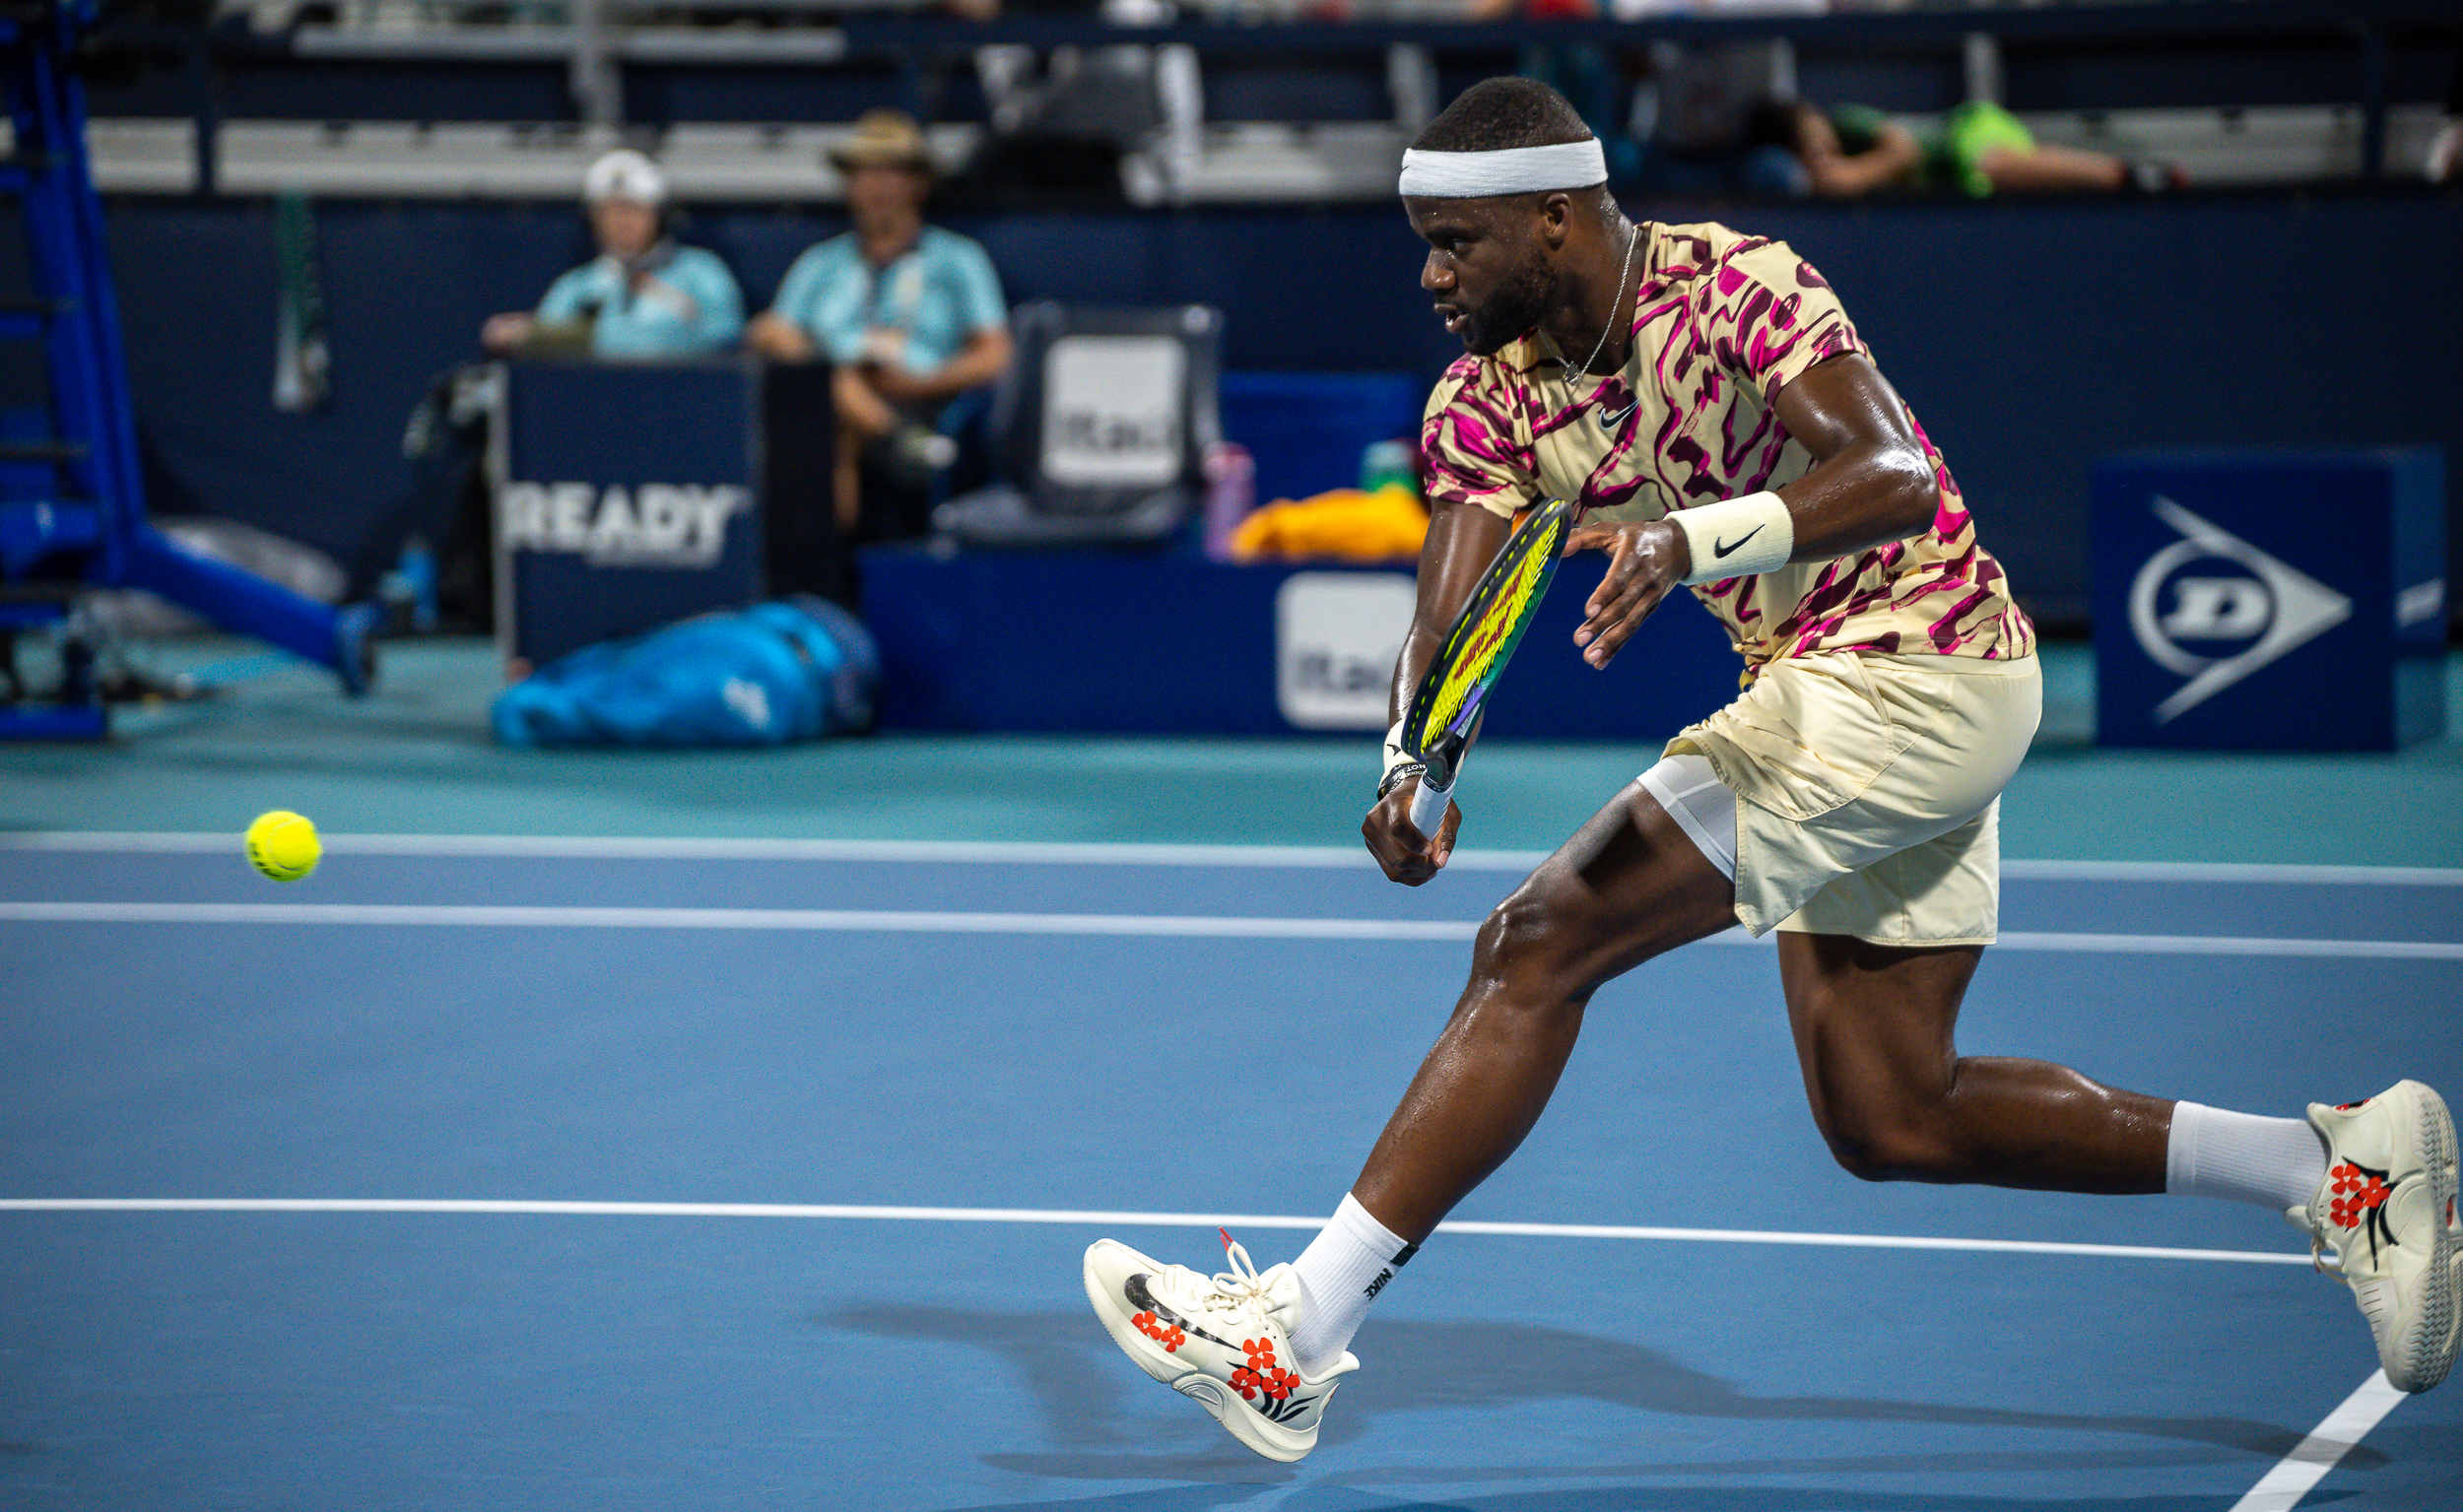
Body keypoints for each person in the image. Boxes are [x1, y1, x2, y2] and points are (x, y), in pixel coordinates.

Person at [1082, 77, 2457, 1465]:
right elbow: (1451, 611)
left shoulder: (1739, 284)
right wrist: (1413, 760)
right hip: (1832, 693)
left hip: (1920, 661)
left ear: (1554, 218)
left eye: (1457, 243)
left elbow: (1893, 471)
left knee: (1537, 938)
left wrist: (1689, 542)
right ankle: (2333, 1166)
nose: (1432, 277)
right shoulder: (1487, 398)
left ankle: (1294, 1334)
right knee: (1893, 1109)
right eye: (1425, 245)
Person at [746, 110, 1013, 541]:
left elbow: (996, 353)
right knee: (823, 388)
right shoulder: (820, 263)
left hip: (927, 401)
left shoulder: (958, 259)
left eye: (892, 173)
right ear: (849, 186)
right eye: (865, 174)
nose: (878, 188)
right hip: (828, 400)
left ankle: (835, 579)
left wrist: (921, 385)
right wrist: (825, 370)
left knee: (839, 424)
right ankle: (895, 439)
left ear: (919, 184)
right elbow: (770, 331)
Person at [480, 150, 744, 359]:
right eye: (610, 211)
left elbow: (727, 336)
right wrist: (523, 335)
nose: (623, 222)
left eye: (635, 209)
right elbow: (547, 352)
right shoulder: (576, 286)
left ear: (661, 216)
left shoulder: (702, 271)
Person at [1752, 98, 2181, 199]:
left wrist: (1856, 174)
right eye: (1804, 146)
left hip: (1966, 131)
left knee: (1993, 165)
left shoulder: (1847, 120)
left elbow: (1903, 152)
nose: (1819, 146)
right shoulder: (1801, 172)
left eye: (1815, 134)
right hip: (1956, 185)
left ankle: (2135, 176)